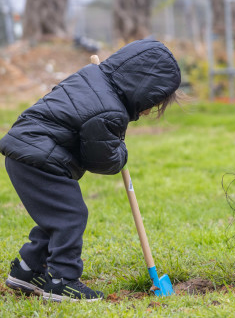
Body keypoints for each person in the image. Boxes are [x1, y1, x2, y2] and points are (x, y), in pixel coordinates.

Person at [2, 39, 181, 302]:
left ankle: (27, 270)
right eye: (152, 103)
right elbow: (102, 161)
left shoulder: (92, 79)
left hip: (27, 150)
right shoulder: (109, 110)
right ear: (143, 90)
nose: (148, 110)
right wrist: (120, 149)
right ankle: (62, 281)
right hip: (39, 157)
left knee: (56, 218)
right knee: (70, 215)